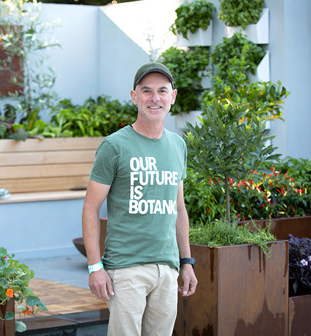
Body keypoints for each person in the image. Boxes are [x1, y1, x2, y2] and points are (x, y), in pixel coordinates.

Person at [82, 61, 198, 336]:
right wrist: (95, 267)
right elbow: (90, 209)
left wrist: (186, 263)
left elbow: (178, 209)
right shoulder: (114, 146)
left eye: (162, 91)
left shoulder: (178, 145)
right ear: (134, 96)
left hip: (167, 268)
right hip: (125, 269)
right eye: (146, 91)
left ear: (173, 96)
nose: (154, 98)